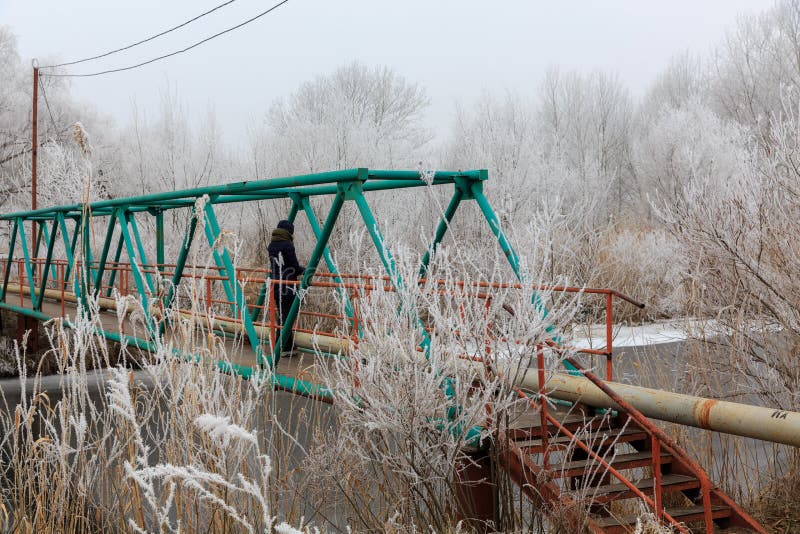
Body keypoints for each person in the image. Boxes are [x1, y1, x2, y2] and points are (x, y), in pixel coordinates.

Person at [268, 220, 305, 355]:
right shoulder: (287, 245)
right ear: (289, 232)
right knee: (287, 316)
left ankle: (287, 346)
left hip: (276, 285)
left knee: (283, 316)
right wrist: (304, 270)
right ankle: (283, 347)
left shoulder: (272, 245)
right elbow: (293, 266)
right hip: (288, 285)